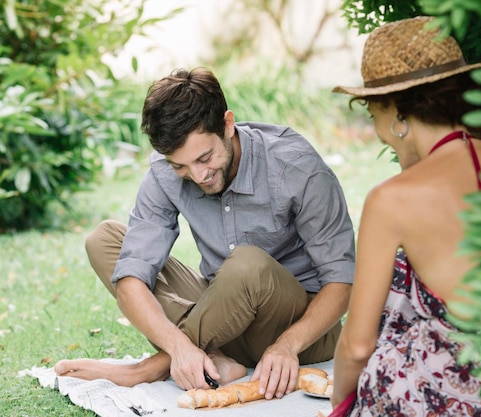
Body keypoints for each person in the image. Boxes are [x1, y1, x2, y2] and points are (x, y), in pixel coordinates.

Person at [54, 67, 355, 400]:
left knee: (247, 263)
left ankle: (149, 368)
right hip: (224, 316)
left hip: (297, 330)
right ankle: (212, 358)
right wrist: (179, 345)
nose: (197, 175)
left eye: (205, 157)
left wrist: (287, 345)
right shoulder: (164, 170)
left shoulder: (296, 167)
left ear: (227, 124)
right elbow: (130, 279)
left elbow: (342, 282)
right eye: (180, 166)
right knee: (104, 239)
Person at [329, 16, 481, 416]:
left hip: (439, 397)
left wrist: (341, 404)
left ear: (395, 112)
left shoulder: (392, 199)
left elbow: (356, 347)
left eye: (374, 117)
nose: (380, 131)